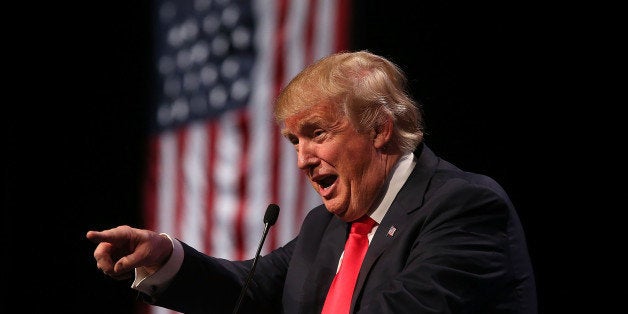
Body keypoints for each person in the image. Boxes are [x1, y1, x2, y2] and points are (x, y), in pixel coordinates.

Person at [86, 50, 537, 313]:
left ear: (379, 129)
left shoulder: (464, 208)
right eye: (293, 141)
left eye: (317, 134)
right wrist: (165, 256)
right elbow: (248, 289)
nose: (302, 160)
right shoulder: (325, 228)